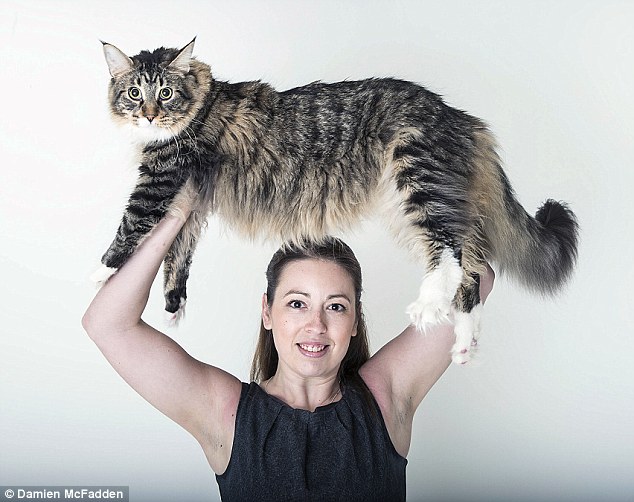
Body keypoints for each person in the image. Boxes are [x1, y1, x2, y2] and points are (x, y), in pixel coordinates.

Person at [82, 205, 494, 501]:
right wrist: (178, 211)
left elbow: (476, 276)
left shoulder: (386, 396)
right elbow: (107, 323)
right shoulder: (225, 413)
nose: (316, 325)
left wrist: (408, 197)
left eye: (335, 306)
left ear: (354, 322)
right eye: (297, 303)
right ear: (267, 311)